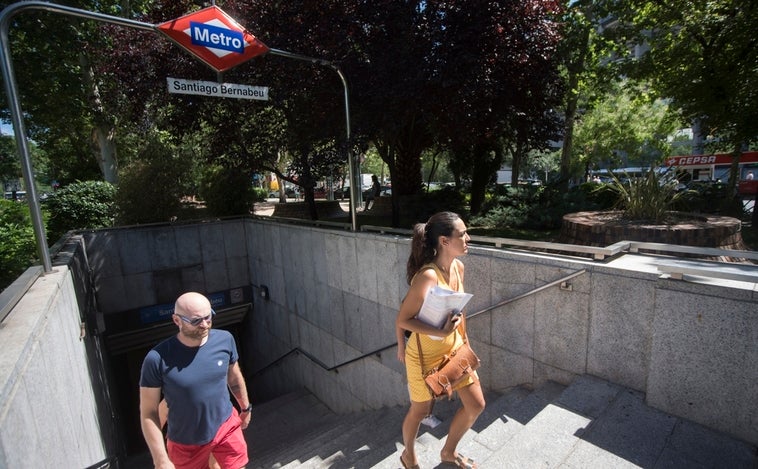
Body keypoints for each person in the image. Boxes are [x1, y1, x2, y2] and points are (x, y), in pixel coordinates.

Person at [396, 212, 485, 469]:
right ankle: (408, 455)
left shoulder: (459, 267)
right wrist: (444, 334)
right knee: (420, 411)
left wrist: (464, 340)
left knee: (476, 404)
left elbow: (460, 309)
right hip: (423, 358)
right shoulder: (428, 276)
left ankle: (448, 452)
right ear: (444, 241)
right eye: (462, 234)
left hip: (455, 349)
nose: (468, 238)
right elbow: (403, 320)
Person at [139, 292, 252, 469]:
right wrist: (160, 458)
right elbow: (148, 413)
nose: (205, 324)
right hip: (185, 443)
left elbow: (234, 377)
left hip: (225, 427)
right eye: (196, 321)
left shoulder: (225, 339)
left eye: (208, 317)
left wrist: (245, 407)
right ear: (177, 320)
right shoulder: (156, 359)